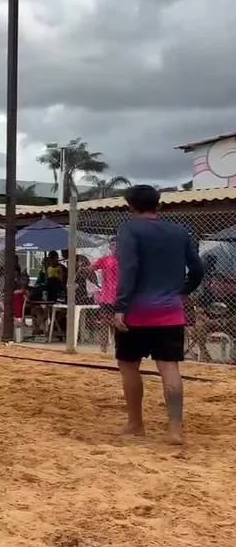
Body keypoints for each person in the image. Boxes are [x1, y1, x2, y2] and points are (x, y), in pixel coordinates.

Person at [110, 185, 205, 445]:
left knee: (129, 366)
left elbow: (130, 267)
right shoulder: (179, 232)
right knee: (169, 368)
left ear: (130, 207)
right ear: (158, 206)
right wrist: (185, 291)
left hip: (136, 313)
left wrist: (120, 306)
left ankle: (135, 423)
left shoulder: (128, 229)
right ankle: (175, 430)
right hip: (170, 312)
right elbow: (197, 268)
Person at [91, 242, 120, 352]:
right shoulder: (106, 259)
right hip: (106, 296)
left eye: (116, 245)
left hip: (119, 296)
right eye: (113, 245)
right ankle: (103, 346)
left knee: (116, 322)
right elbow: (93, 267)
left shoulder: (125, 260)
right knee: (104, 321)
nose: (115, 248)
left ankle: (117, 345)